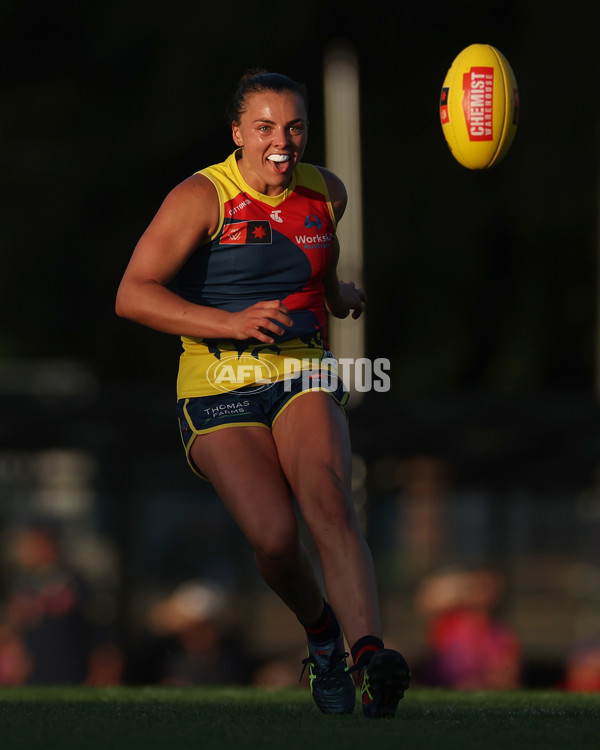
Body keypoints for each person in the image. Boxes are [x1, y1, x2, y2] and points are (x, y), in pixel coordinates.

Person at [116, 68, 410, 717]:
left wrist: (337, 297)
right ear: (238, 134)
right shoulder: (202, 197)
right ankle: (323, 640)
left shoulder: (326, 192)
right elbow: (132, 294)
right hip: (217, 381)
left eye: (295, 125)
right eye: (266, 127)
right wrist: (230, 322)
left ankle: (371, 660)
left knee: (329, 498)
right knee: (275, 540)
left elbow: (318, 252)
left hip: (301, 367)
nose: (283, 139)